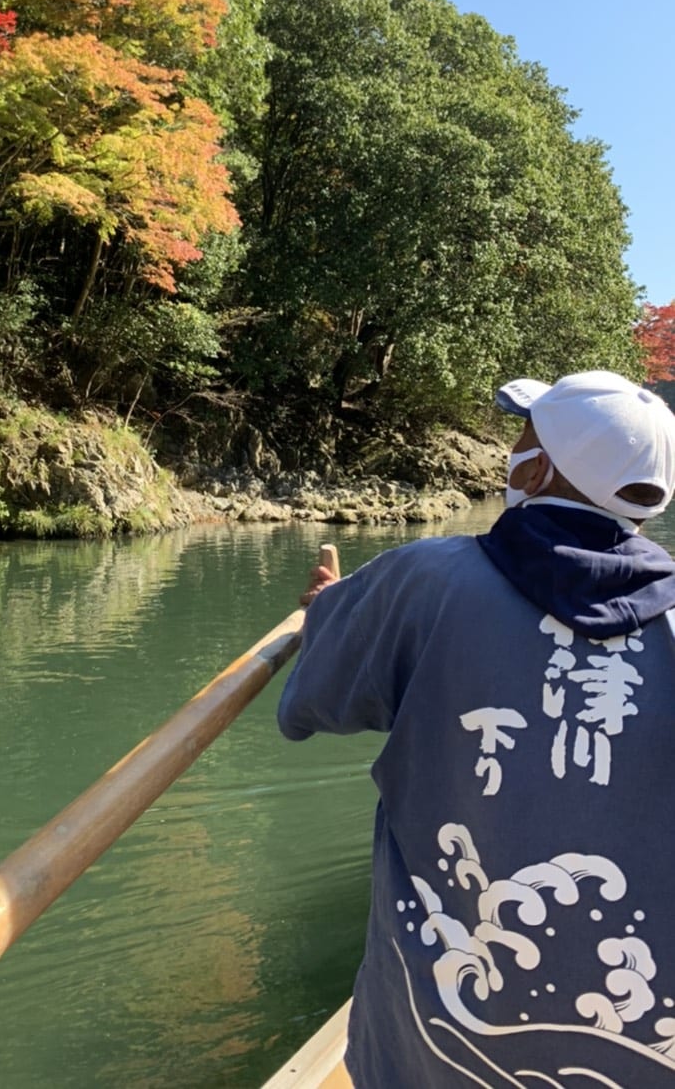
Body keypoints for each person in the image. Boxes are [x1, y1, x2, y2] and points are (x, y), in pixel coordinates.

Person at [277, 370, 675, 1088]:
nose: (513, 449)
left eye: (525, 436)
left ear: (544, 467)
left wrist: (330, 611)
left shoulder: (425, 578)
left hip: (433, 1055)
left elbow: (316, 700)